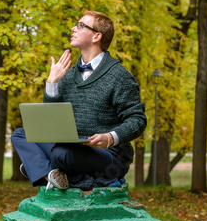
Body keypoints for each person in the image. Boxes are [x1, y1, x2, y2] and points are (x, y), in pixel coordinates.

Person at [11, 10, 147, 190]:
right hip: (70, 147)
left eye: (81, 25)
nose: (73, 29)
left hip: (108, 157)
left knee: (61, 154)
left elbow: (137, 120)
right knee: (20, 135)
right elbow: (51, 121)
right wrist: (52, 82)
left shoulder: (119, 76)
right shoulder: (68, 75)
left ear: (96, 36)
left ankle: (38, 167)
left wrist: (110, 137)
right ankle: (50, 174)